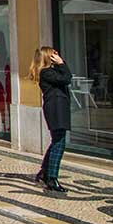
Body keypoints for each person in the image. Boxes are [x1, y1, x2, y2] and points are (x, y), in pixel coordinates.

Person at [30, 47, 72, 193]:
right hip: (56, 108)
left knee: (56, 141)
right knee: (59, 143)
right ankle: (52, 178)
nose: (57, 56)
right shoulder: (46, 73)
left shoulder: (49, 72)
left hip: (56, 107)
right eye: (53, 55)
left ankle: (45, 172)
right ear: (48, 57)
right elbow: (67, 78)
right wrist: (61, 63)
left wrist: (60, 64)